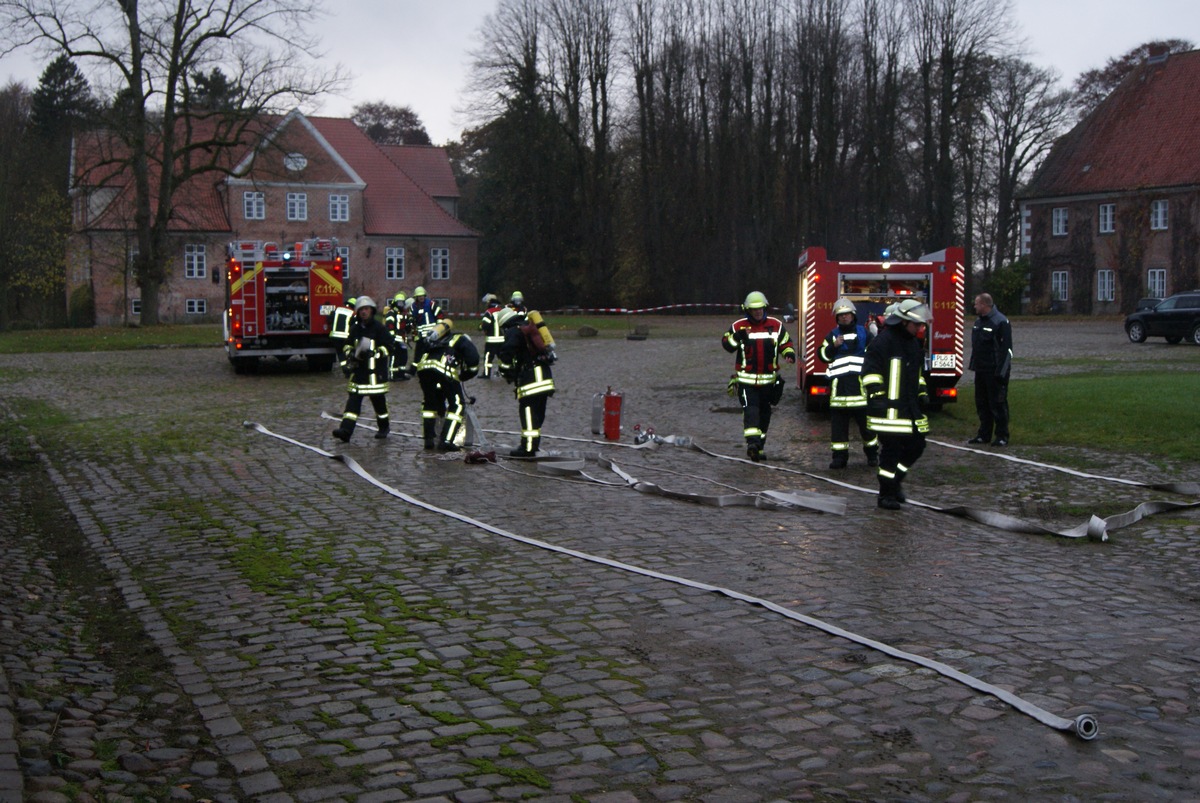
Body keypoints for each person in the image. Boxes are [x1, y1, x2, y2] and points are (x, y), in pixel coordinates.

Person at [861, 298, 932, 510]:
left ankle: (895, 482)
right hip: (888, 412)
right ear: (903, 322)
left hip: (909, 409)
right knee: (890, 454)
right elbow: (869, 372)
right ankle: (885, 495)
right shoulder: (883, 342)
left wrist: (922, 392)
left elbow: (916, 375)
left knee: (917, 446)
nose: (920, 328)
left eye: (921, 325)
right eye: (916, 324)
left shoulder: (912, 343)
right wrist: (878, 395)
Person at [721, 291, 796, 462]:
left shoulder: (776, 325)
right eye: (754, 309)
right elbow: (726, 345)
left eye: (760, 308)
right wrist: (737, 337)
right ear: (747, 310)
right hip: (746, 382)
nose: (758, 312)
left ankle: (759, 447)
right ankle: (752, 444)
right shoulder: (738, 326)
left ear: (765, 308)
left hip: (768, 383)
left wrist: (789, 354)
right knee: (751, 411)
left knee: (765, 415)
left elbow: (786, 343)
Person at [818, 298, 879, 469]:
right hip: (839, 394)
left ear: (853, 315)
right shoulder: (832, 335)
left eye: (846, 315)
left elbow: (875, 353)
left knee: (867, 429)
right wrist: (834, 346)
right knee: (838, 431)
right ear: (837, 318)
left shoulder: (864, 333)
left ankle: (873, 455)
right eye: (840, 315)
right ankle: (839, 458)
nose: (844, 318)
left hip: (861, 393)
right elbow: (822, 355)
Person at [332, 296, 395, 443]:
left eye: (366, 309)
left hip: (375, 376)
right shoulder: (355, 329)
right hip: (359, 373)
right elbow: (346, 345)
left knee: (380, 406)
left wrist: (375, 353)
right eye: (361, 310)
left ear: (372, 311)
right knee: (352, 404)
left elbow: (390, 347)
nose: (364, 312)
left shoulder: (379, 328)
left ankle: (384, 428)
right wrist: (351, 353)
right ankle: (345, 431)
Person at [497, 306, 556, 457]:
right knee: (537, 414)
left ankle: (528, 448)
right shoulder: (526, 327)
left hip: (531, 378)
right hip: (544, 376)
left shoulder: (513, 331)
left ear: (504, 324)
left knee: (528, 413)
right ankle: (533, 445)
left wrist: (506, 371)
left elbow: (506, 354)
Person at [415, 319, 480, 451]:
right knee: (457, 406)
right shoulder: (461, 339)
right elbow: (473, 359)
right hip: (443, 371)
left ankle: (429, 440)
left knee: (430, 404)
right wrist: (465, 375)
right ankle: (446, 441)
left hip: (424, 370)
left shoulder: (437, 341)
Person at [968, 292, 1012, 447]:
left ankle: (1002, 435)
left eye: (976, 303)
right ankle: (984, 434)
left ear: (984, 305)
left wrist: (1001, 372)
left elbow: (1006, 350)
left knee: (998, 404)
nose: (974, 306)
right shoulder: (979, 322)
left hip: (994, 371)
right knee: (982, 403)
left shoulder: (1001, 322)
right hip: (981, 370)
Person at [409, 286, 446, 363]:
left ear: (425, 295)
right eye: (419, 296)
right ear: (416, 297)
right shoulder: (413, 307)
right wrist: (414, 334)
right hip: (421, 336)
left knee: (432, 353)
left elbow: (440, 315)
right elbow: (412, 321)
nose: (421, 297)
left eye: (422, 295)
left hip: (432, 334)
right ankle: (414, 370)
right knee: (418, 354)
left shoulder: (430, 304)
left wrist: (438, 329)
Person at [384, 292, 410, 380]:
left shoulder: (403, 314)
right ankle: (392, 375)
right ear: (395, 302)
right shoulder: (391, 313)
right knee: (394, 357)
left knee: (404, 357)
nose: (400, 304)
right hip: (394, 339)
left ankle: (401, 374)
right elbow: (389, 326)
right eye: (399, 302)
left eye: (402, 303)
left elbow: (406, 326)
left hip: (402, 340)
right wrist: (392, 339)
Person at [479, 293, 506, 379]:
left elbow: (484, 325)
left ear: (489, 302)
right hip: (502, 340)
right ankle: (505, 373)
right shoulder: (502, 310)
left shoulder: (489, 312)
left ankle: (486, 374)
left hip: (491, 341)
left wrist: (480, 327)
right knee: (502, 358)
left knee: (488, 359)